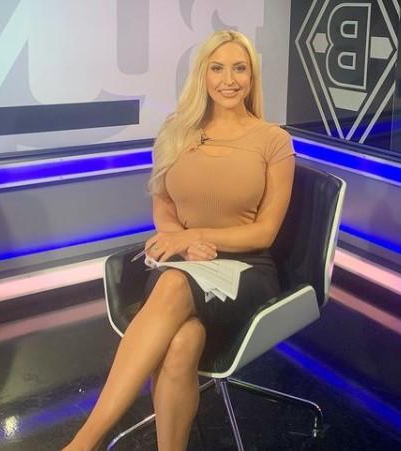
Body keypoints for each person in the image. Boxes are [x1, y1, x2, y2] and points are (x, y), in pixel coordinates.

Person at [64, 29, 295, 451]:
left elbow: (265, 232)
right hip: (185, 259)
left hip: (246, 269)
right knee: (182, 342)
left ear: (252, 76)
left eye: (239, 68)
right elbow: (164, 205)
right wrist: (183, 242)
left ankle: (83, 442)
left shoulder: (273, 140)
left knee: (172, 284)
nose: (229, 80)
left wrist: (197, 235)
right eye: (217, 68)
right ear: (203, 75)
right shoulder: (177, 131)